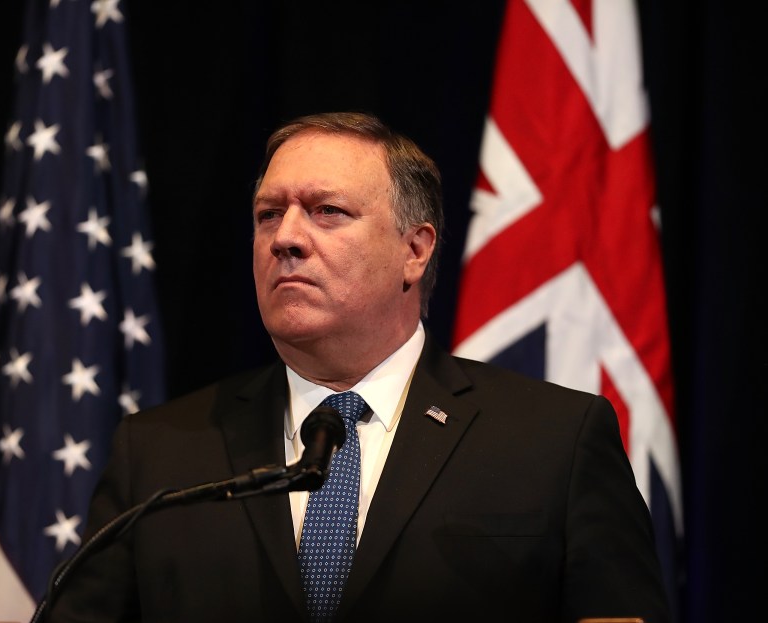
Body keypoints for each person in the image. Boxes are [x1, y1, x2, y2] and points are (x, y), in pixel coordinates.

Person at [46, 112, 671, 622]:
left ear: (415, 250)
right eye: (269, 214)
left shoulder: (553, 440)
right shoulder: (158, 455)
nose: (285, 238)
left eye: (327, 212)